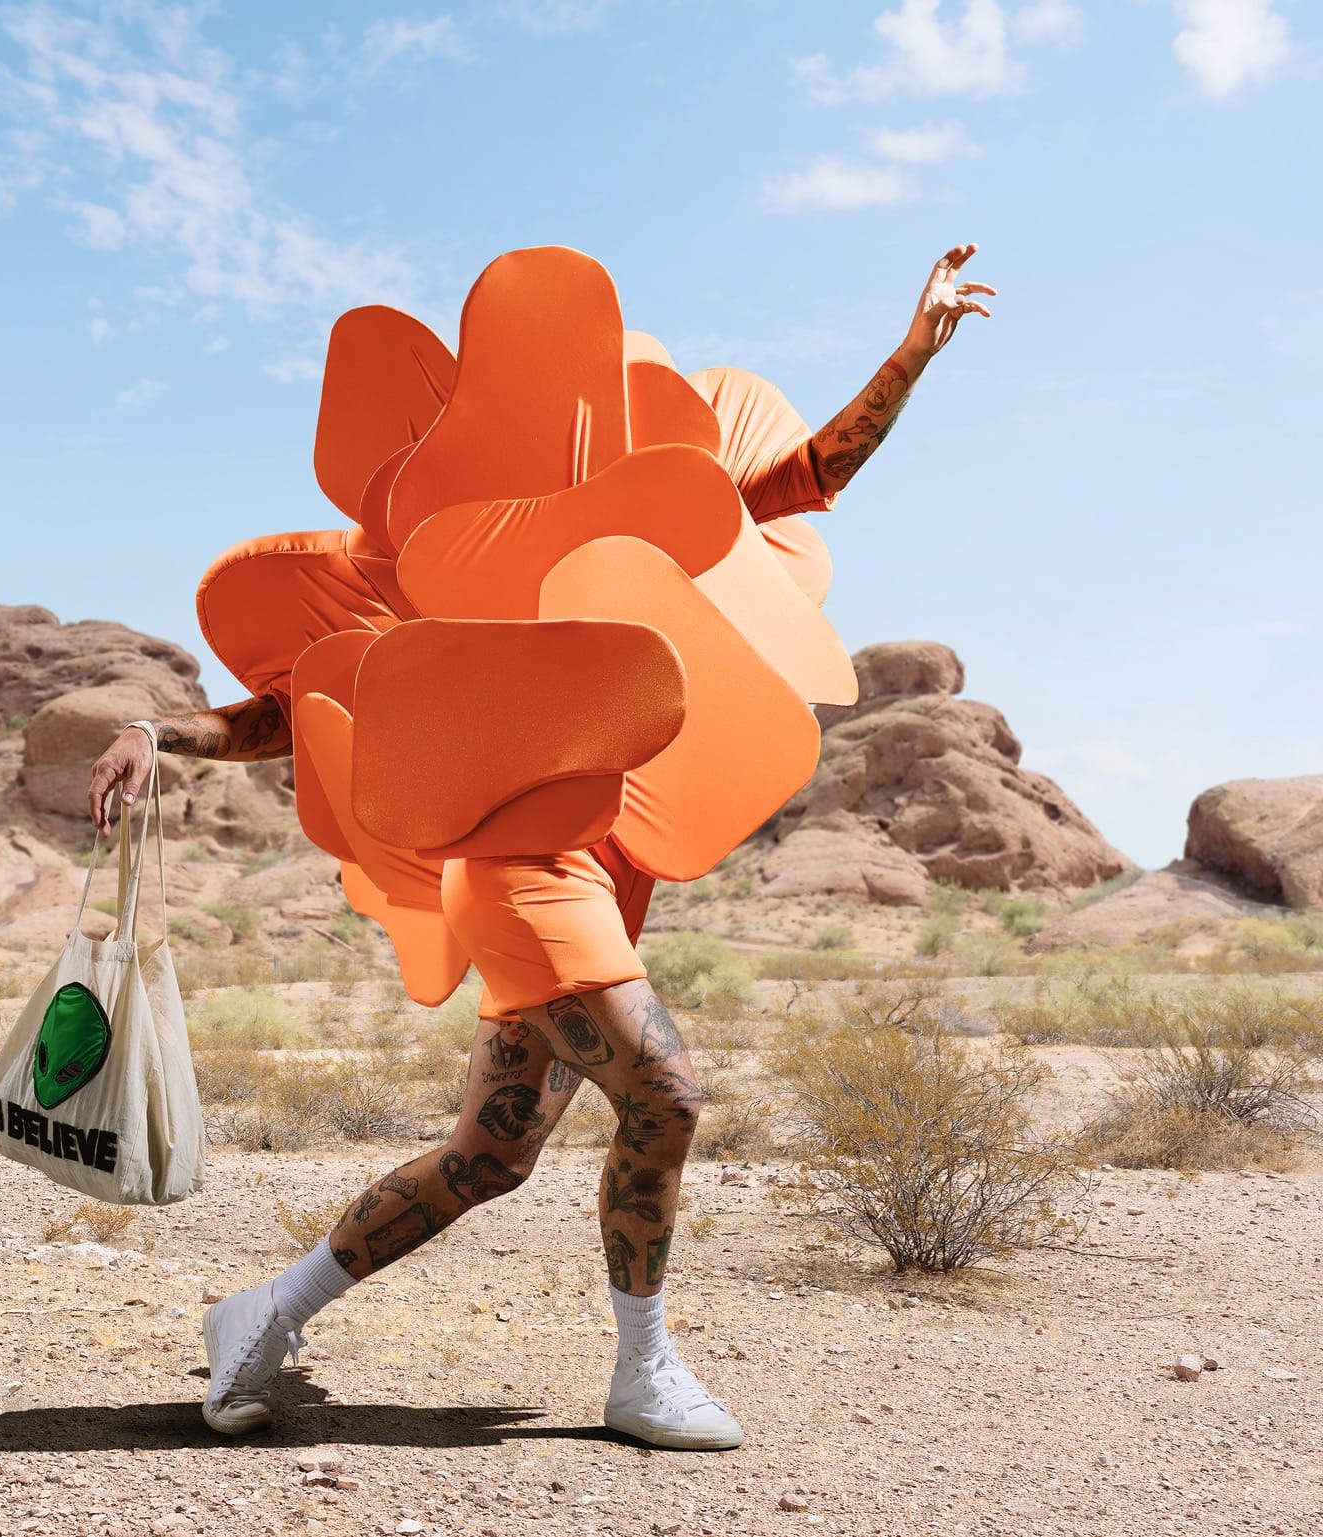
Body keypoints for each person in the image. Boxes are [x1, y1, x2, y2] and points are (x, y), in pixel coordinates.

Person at [86, 246, 993, 1450]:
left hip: (599, 869)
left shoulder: (647, 547)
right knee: (663, 1098)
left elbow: (801, 479)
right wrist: (162, 732)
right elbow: (295, 700)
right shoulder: (442, 562)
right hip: (517, 870)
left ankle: (258, 1312)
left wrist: (908, 356)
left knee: (488, 1155)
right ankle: (642, 1370)